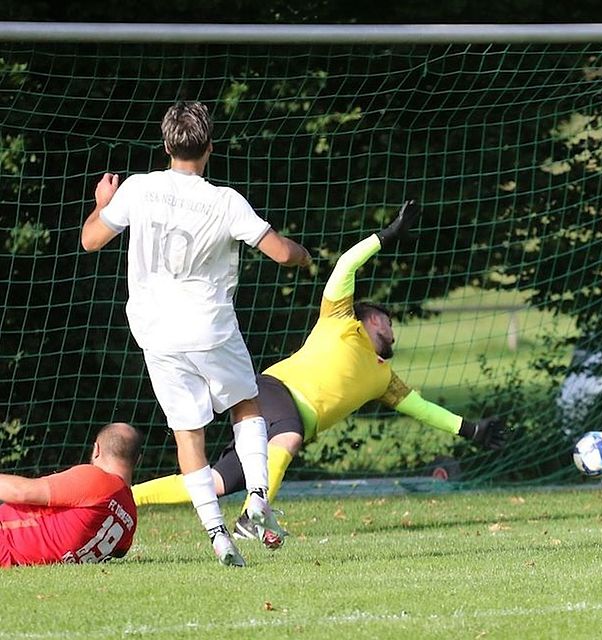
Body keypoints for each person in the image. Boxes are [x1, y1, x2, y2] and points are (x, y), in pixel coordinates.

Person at [132, 200, 508, 538]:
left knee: (214, 483)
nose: (394, 332)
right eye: (390, 324)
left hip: (282, 413)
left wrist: (471, 430)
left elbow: (423, 409)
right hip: (273, 393)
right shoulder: (340, 319)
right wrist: (387, 235)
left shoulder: (384, 380)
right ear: (374, 319)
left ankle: (127, 497)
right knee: (291, 437)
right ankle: (251, 518)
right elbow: (346, 264)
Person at [80, 101, 312, 567]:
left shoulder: (140, 189)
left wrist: (103, 204)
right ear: (209, 148)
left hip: (157, 332)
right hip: (210, 326)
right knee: (246, 405)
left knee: (188, 433)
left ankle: (217, 534)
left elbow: (90, 240)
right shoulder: (225, 200)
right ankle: (259, 500)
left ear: (166, 145)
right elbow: (283, 254)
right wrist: (304, 256)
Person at [0, 422, 142, 567]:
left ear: (96, 450)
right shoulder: (131, 516)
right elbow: (120, 552)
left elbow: (21, 492)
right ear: (138, 460)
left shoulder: (96, 480)